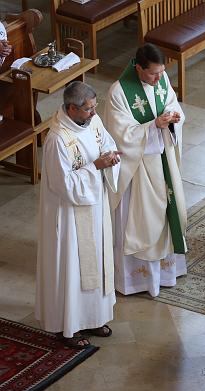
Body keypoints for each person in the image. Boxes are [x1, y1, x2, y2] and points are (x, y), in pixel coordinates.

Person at [36, 81, 121, 349]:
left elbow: (106, 141)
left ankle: (94, 317)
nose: (94, 113)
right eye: (88, 109)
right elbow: (64, 185)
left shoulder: (91, 123)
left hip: (94, 208)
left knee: (96, 261)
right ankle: (68, 327)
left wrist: (110, 156)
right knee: (73, 268)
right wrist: (96, 166)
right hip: (70, 216)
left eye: (95, 107)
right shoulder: (58, 140)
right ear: (72, 108)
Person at [105, 43, 187, 297]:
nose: (159, 78)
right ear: (138, 67)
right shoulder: (118, 93)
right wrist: (152, 126)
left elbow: (174, 105)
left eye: (162, 73)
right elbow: (120, 135)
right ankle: (136, 280)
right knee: (142, 221)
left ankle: (166, 271)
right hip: (138, 171)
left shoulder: (160, 82)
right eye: (153, 73)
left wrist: (173, 119)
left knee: (166, 215)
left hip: (163, 162)